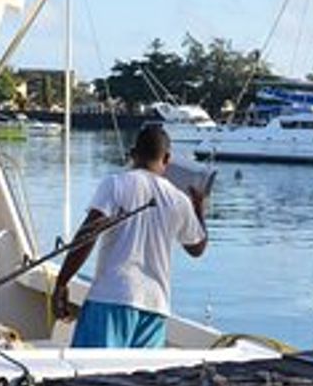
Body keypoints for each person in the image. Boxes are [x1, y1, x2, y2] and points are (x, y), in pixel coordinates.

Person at [51, 123, 208, 348]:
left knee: (92, 378)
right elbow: (197, 248)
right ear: (167, 159)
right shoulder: (179, 200)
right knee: (139, 381)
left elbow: (88, 235)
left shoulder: (115, 183)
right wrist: (200, 210)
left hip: (111, 298)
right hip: (155, 307)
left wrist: (62, 282)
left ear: (133, 154)